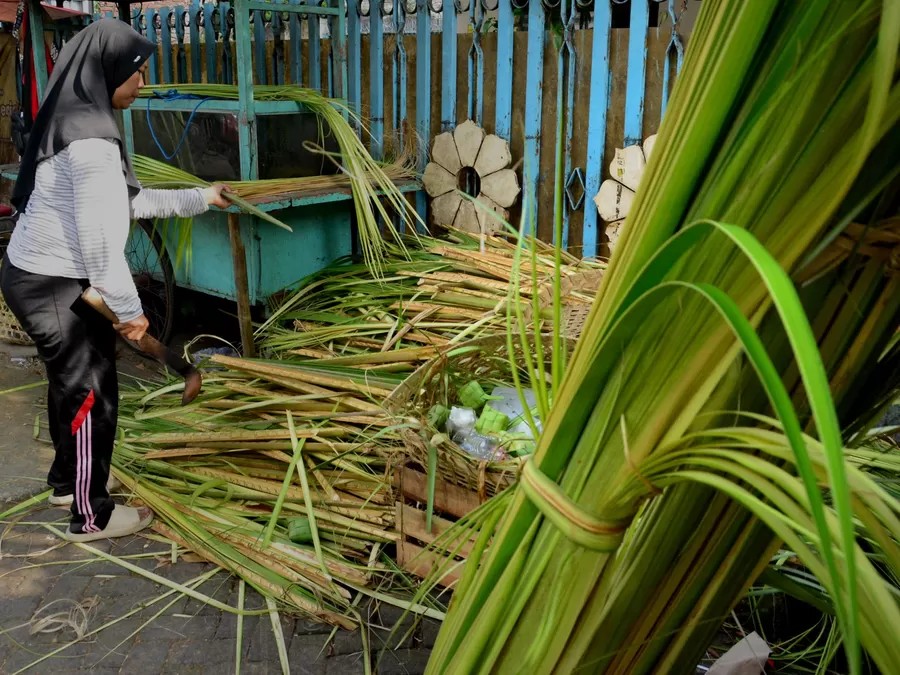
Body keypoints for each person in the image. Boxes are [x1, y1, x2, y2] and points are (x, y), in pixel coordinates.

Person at [0, 19, 231, 542]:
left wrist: (201, 198)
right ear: (108, 73)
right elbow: (103, 251)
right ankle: (90, 514)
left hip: (38, 275)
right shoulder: (92, 145)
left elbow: (129, 202)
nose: (143, 83)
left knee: (71, 382)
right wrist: (132, 315)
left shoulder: (79, 120)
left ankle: (67, 482)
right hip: (53, 280)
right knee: (90, 390)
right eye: (138, 72)